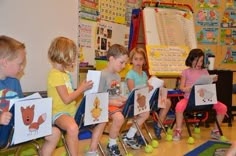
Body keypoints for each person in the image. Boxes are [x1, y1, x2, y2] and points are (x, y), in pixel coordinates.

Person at [0, 35, 61, 156]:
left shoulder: (14, 82)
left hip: (17, 129)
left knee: (55, 133)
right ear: (5, 62)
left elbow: (22, 107)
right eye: (20, 63)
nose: (22, 68)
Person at [47, 37, 94, 156]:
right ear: (64, 55)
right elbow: (66, 99)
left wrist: (83, 91)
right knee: (72, 128)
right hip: (58, 113)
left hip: (70, 112)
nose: (74, 59)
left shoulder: (65, 74)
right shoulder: (55, 74)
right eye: (73, 56)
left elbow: (72, 98)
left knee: (96, 116)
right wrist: (81, 89)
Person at [173, 48, 227, 141]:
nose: (199, 63)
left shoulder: (204, 71)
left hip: (203, 99)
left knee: (223, 107)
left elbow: (207, 87)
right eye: (196, 61)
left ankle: (215, 131)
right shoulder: (186, 72)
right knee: (179, 106)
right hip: (189, 99)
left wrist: (212, 80)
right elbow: (181, 88)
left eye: (201, 61)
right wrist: (189, 89)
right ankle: (178, 130)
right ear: (191, 59)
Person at [98, 44, 129, 156]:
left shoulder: (117, 76)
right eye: (122, 62)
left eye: (125, 63)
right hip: (104, 105)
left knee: (134, 109)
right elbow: (98, 98)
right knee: (119, 118)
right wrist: (112, 102)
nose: (124, 66)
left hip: (113, 104)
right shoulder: (102, 75)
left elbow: (114, 93)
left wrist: (122, 98)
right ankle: (111, 144)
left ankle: (130, 136)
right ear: (111, 58)